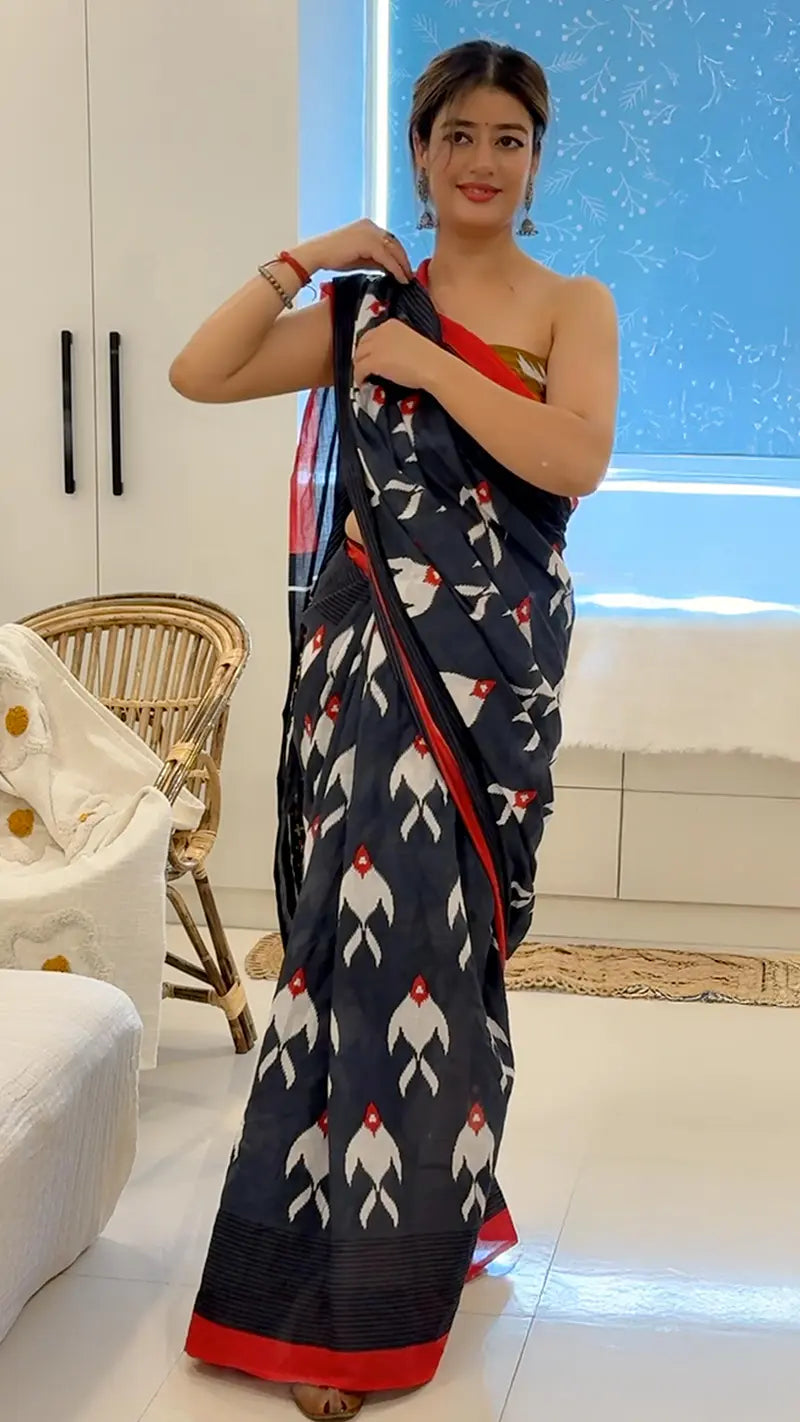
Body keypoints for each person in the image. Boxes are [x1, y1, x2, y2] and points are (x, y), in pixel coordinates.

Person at [169, 38, 618, 1422]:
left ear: (535, 162)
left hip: (490, 674)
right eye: (458, 135)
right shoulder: (365, 309)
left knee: (442, 956)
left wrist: (427, 363)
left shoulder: (570, 303)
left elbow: (571, 458)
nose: (483, 161)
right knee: (355, 948)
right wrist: (303, 260)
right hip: (369, 667)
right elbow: (199, 373)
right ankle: (335, 1294)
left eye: (509, 139)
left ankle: (411, 1236)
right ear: (419, 152)